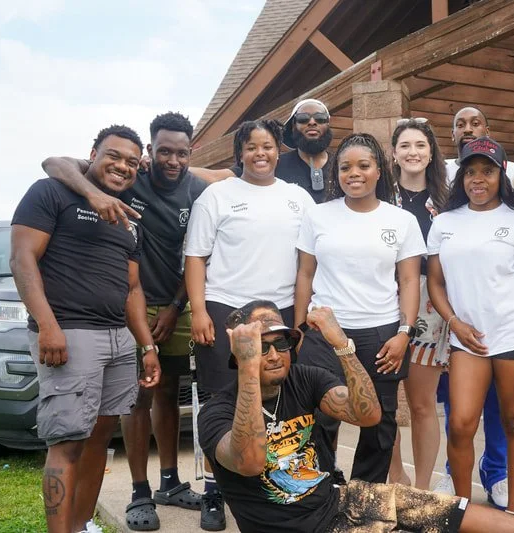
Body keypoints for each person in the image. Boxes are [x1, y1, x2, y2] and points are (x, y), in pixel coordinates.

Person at [199, 301, 514, 533]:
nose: (273, 353)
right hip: (297, 528)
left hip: (340, 501)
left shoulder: (306, 378)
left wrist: (341, 344)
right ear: (240, 352)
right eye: (262, 345)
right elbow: (252, 461)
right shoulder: (217, 412)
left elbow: (368, 416)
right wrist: (249, 367)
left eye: (282, 342)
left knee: (445, 510)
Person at [43, 112, 208, 531]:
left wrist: (176, 308)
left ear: (192, 153)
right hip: (126, 306)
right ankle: (139, 492)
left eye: (182, 152)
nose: (173, 160)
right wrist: (94, 195)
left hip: (175, 302)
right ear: (150, 152)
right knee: (135, 400)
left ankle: (169, 481)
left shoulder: (198, 188)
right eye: (164, 151)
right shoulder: (131, 175)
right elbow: (55, 164)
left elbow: (199, 251)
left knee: (169, 392)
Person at [10, 125, 161, 533]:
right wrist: (48, 326)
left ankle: (80, 526)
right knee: (67, 443)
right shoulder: (51, 193)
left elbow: (132, 289)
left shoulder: (131, 217)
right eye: (113, 155)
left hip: (118, 339)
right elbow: (23, 260)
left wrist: (147, 346)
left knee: (100, 439)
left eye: (132, 161)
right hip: (71, 335)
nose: (122, 166)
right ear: (91, 154)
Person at [185, 119, 316, 530]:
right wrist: (199, 311)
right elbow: (195, 258)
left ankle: (280, 478)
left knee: (280, 401)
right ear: (239, 152)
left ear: (280, 150)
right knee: (221, 402)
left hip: (279, 316)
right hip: (227, 311)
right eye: (251, 147)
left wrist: (300, 317)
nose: (261, 153)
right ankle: (213, 491)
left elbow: (307, 263)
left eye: (268, 146)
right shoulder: (218, 196)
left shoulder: (298, 198)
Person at [426, 137, 514, 517]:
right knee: (461, 425)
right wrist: (454, 323)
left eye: (488, 171)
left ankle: (513, 513)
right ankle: (464, 514)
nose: (478, 179)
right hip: (468, 342)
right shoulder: (444, 223)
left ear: (501, 175)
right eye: (471, 172)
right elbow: (435, 282)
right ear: (461, 176)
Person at [294, 133, 424, 483]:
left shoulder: (402, 221)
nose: (354, 173)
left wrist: (404, 333)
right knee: (319, 414)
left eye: (363, 166)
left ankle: (364, 498)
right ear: (336, 173)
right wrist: (299, 330)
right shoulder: (318, 216)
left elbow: (410, 281)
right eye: (346, 167)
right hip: (323, 333)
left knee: (380, 421)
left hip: (382, 334)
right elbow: (305, 274)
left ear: (379, 170)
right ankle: (320, 490)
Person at [436, 106, 510, 507]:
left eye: (475, 123)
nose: (467, 129)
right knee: (457, 408)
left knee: (501, 404)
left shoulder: (499, 186)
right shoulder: (443, 181)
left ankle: (496, 472)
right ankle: (452, 471)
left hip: (500, 323)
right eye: (460, 125)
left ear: (488, 129)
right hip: (449, 317)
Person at [387, 118, 449, 490]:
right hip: (383, 298)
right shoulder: (379, 198)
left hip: (430, 304)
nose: (413, 152)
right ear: (394, 153)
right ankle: (397, 477)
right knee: (386, 403)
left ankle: (423, 489)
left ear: (430, 153)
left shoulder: (448, 200)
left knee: (423, 402)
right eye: (405, 146)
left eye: (420, 146)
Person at [230, 99, 333, 204]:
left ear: (328, 124)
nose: (312, 122)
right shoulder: (273, 163)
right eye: (303, 119)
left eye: (320, 118)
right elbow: (225, 175)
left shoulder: (342, 164)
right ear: (293, 126)